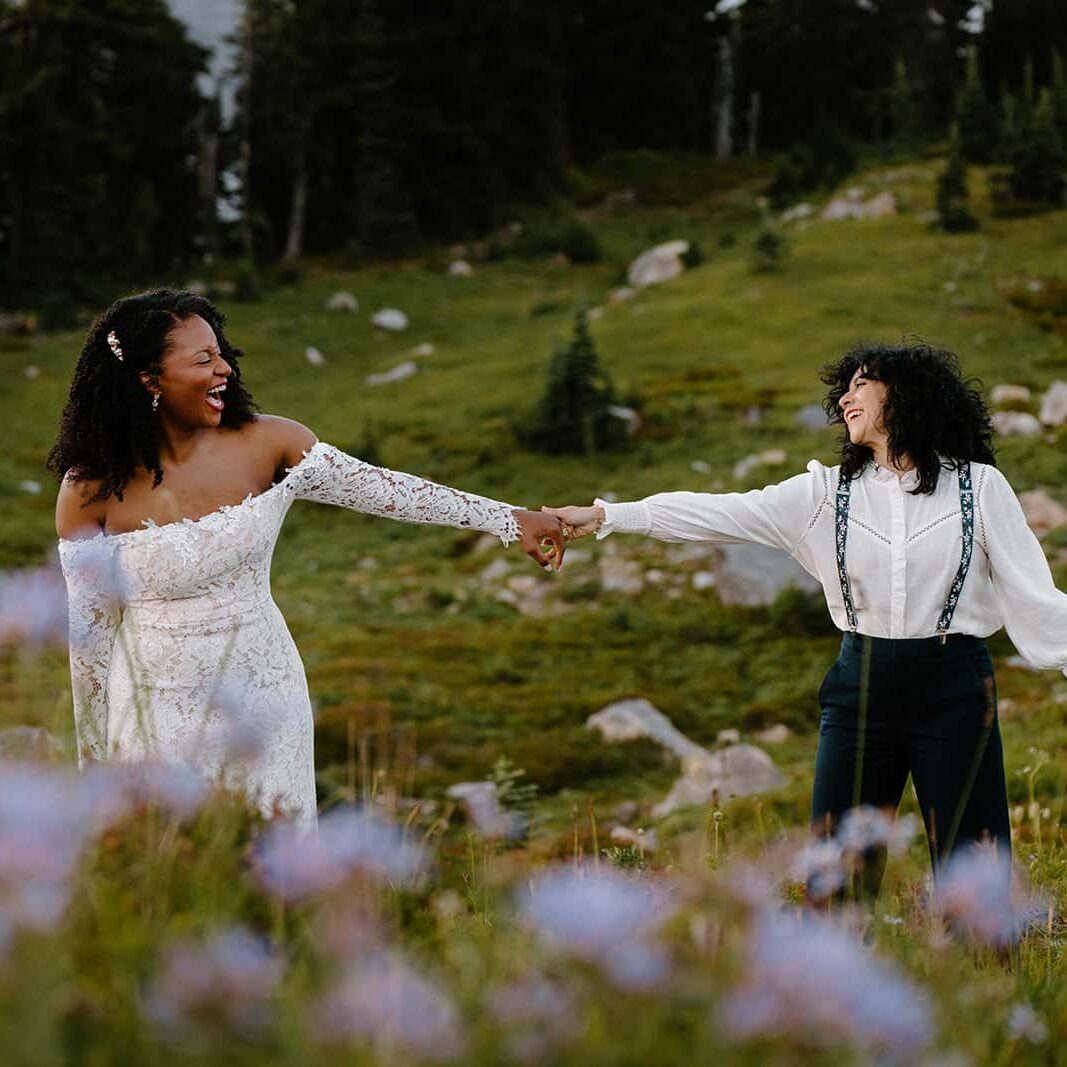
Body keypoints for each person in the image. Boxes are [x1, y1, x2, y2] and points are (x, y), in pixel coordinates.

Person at [547, 341, 1067, 899]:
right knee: (836, 868)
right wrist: (605, 516)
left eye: (861, 384)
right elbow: (720, 512)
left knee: (974, 865)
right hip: (859, 689)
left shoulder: (980, 489)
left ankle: (988, 980)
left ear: (907, 394)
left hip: (955, 687)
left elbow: (1036, 598)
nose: (846, 397)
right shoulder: (824, 494)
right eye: (844, 388)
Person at [49, 288, 566, 830]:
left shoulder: (271, 443)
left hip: (265, 693)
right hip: (154, 712)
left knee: (277, 863)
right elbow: (89, 639)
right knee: (173, 872)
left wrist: (510, 519)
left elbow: (389, 491)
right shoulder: (90, 490)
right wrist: (93, 767)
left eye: (220, 351)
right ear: (149, 379)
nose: (224, 367)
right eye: (203, 359)